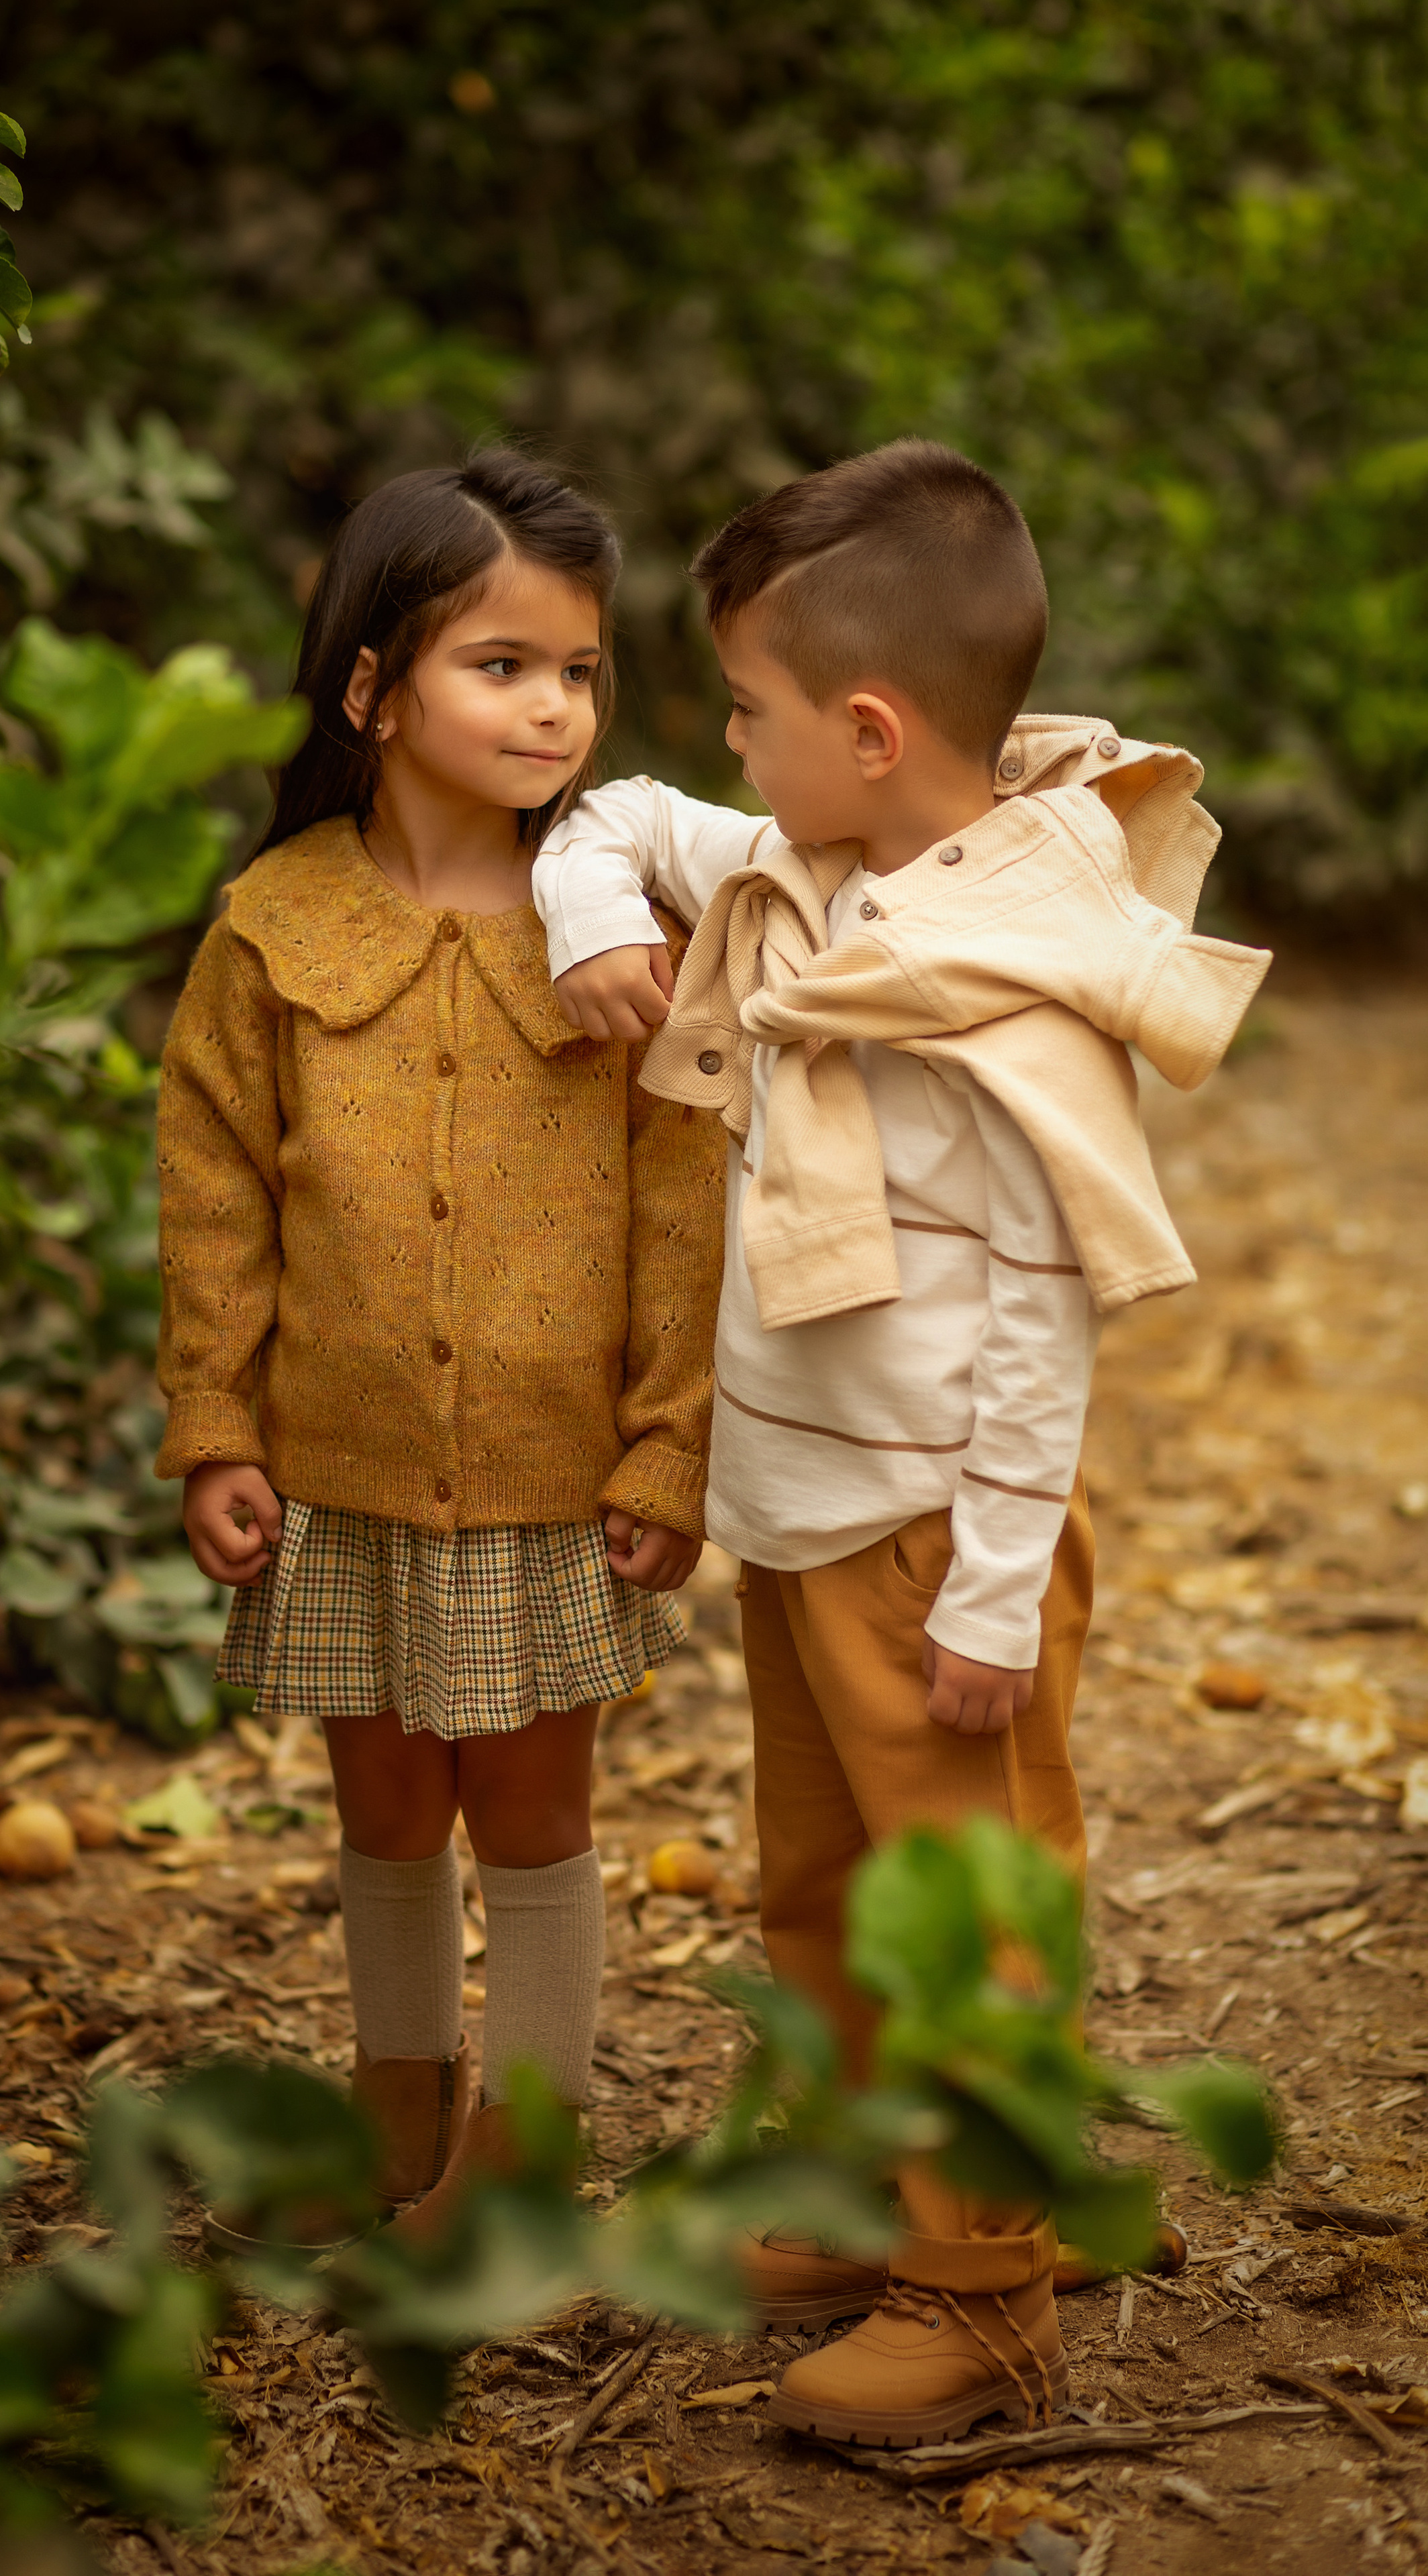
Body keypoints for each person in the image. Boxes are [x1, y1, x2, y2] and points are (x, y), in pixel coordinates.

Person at [531, 439, 1270, 2445]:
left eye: (745, 713)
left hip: (937, 1536)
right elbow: (616, 817)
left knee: (961, 1920)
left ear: (865, 732)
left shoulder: (1002, 1002)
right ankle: (880, 2195)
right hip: (800, 1510)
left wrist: (997, 1594)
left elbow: (1044, 1325)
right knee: (828, 1897)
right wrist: (590, 915)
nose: (724, 748)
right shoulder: (816, 872)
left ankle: (985, 2291)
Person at [154, 451, 723, 2238]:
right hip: (341, 1468)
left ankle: (528, 2152)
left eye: (580, 672)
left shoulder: (624, 940)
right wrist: (214, 1423)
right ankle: (395, 2107)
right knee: (388, 1799)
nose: (554, 707)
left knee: (534, 1809)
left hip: (556, 1477)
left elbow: (686, 1206)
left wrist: (670, 1440)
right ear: (373, 691)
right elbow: (215, 1193)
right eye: (503, 665)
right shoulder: (275, 929)